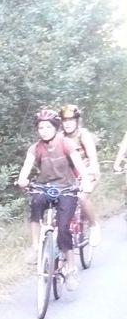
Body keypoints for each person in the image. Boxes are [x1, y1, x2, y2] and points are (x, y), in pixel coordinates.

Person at [15, 108, 90, 289]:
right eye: (41, 128)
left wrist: (86, 181)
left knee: (63, 228)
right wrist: (22, 179)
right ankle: (35, 248)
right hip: (45, 187)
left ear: (56, 127)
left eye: (48, 127)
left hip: (66, 189)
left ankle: (71, 269)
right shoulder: (35, 148)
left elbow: (80, 166)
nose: (44, 131)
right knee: (36, 203)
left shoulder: (65, 143)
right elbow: (26, 167)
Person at [59, 103, 101, 246]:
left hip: (87, 172)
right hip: (69, 175)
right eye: (65, 120)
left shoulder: (84, 135)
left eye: (71, 120)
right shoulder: (60, 137)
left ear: (77, 121)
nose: (67, 123)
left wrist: (89, 175)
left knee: (82, 197)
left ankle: (94, 226)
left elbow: (93, 158)